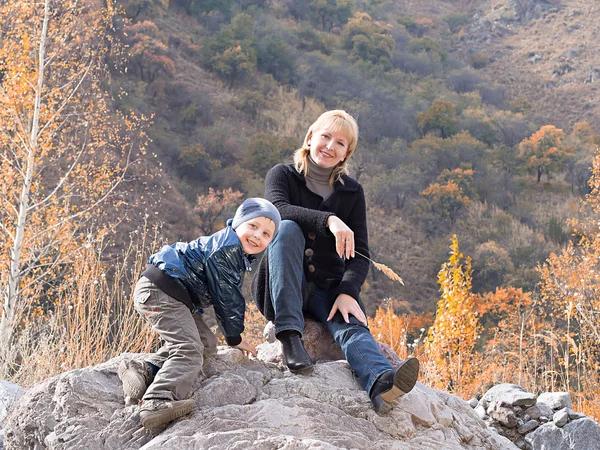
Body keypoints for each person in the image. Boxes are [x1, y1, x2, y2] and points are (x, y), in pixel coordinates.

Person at [252, 110, 419, 414]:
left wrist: (347, 290)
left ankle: (382, 384)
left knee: (350, 324)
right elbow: (277, 210)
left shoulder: (352, 192)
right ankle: (289, 335)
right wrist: (329, 219)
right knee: (286, 227)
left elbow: (360, 254)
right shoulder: (282, 175)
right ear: (310, 138)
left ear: (347, 152)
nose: (330, 146)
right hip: (282, 282)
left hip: (327, 286)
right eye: (325, 137)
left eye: (340, 143)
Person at [118, 198, 281, 430]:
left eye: (266, 234)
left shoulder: (231, 247)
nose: (257, 236)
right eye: (253, 226)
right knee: (189, 349)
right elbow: (228, 298)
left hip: (171, 293)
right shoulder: (227, 248)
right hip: (162, 291)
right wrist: (235, 338)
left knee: (206, 343)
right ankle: (157, 400)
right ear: (237, 224)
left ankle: (143, 369)